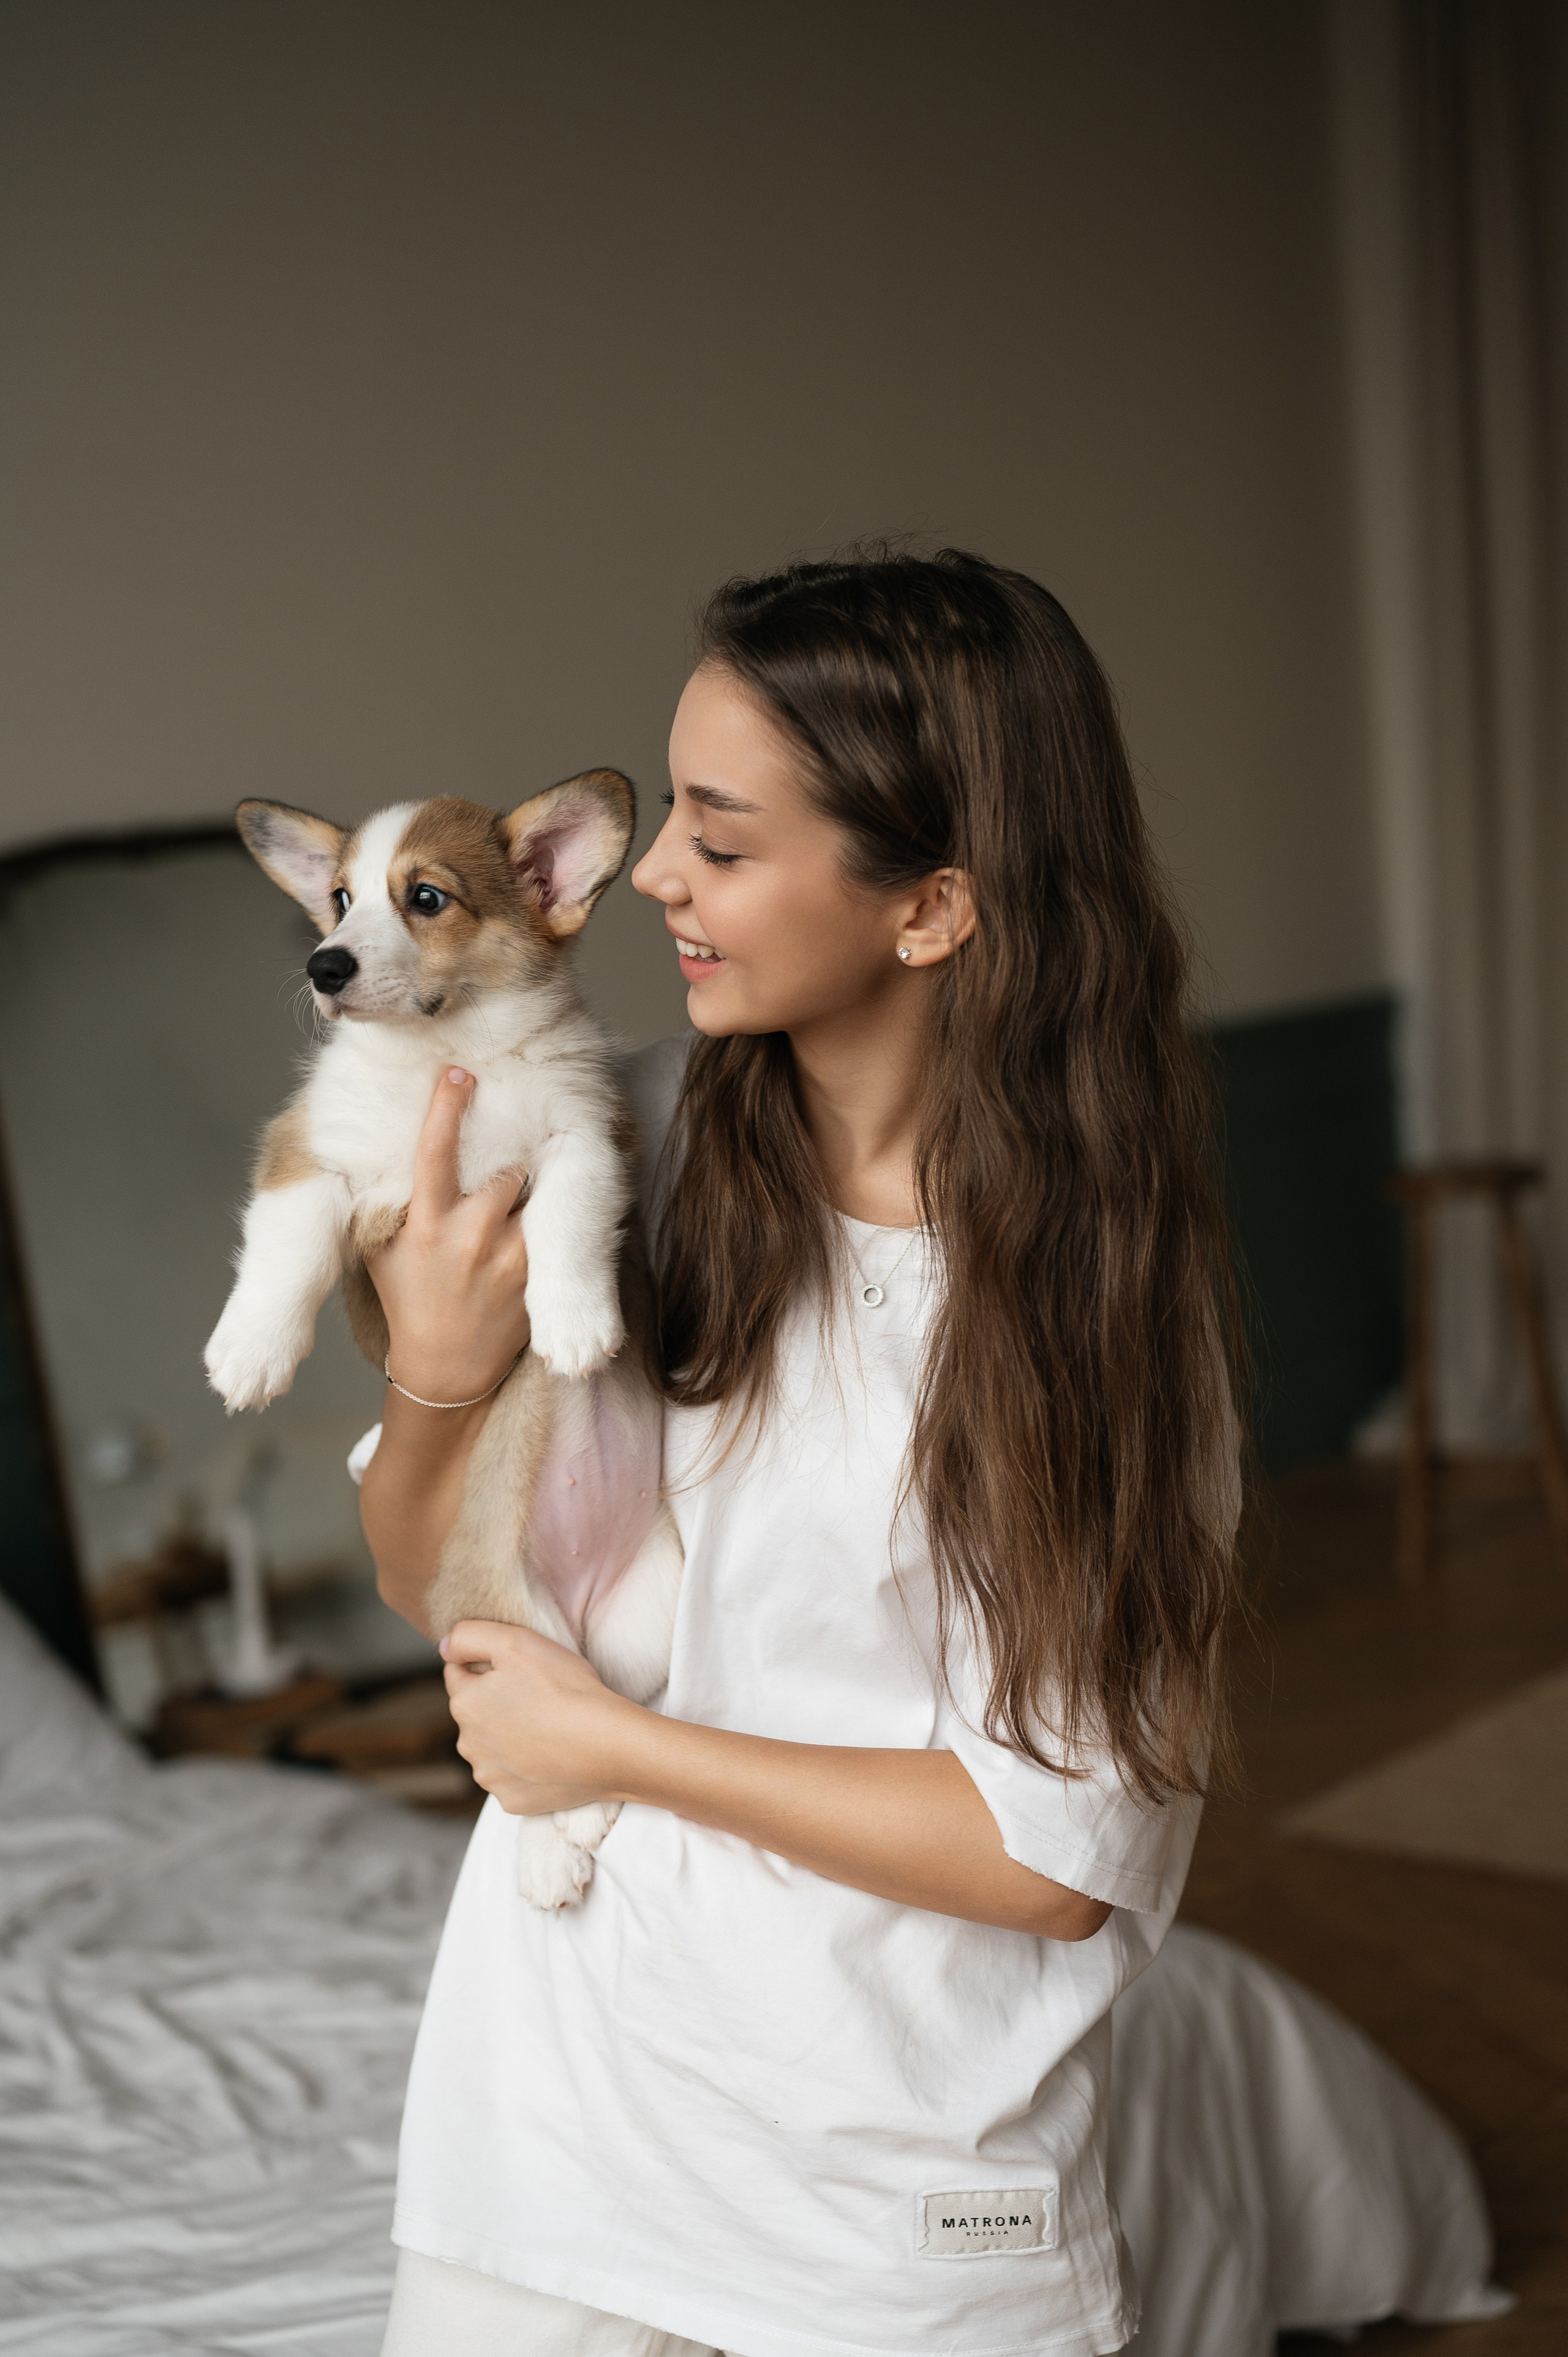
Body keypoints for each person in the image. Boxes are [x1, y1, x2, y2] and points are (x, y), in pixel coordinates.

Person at [363, 549, 1244, 2357]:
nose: (660, 877)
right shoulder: (629, 1169)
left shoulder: (1086, 1310)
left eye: (723, 837)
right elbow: (433, 1587)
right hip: (551, 2141)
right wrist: (446, 1374)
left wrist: (613, 1747)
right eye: (671, 817)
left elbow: (1052, 1855)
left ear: (931, 908)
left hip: (890, 2204)